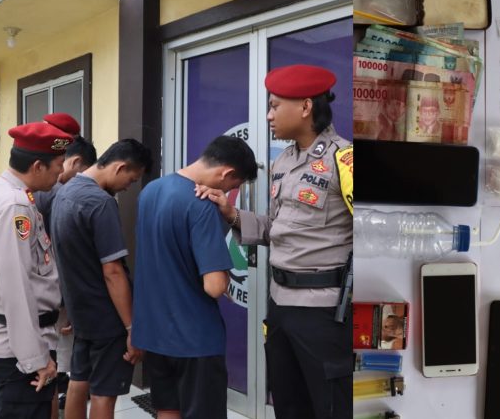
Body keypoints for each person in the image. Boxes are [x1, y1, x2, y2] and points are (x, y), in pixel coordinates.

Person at [197, 64, 353, 419]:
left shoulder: (344, 160)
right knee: (288, 404)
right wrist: (230, 214)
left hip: (323, 312)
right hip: (281, 306)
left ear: (305, 107)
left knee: (329, 407)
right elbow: (275, 228)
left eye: (274, 106)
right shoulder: (284, 162)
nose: (268, 116)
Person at [132, 136, 257, 419]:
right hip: (195, 339)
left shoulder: (150, 191)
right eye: (232, 186)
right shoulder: (201, 205)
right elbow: (215, 286)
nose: (228, 193)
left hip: (156, 334)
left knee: (167, 410)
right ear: (225, 173)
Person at [0, 121, 73, 418]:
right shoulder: (14, 207)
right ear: (38, 166)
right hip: (19, 352)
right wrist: (37, 360)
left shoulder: (6, 193)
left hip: (12, 342)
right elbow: (15, 287)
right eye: (58, 165)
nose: (61, 173)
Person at [50, 139, 152, 419]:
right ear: (120, 167)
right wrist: (132, 327)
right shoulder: (100, 202)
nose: (127, 187)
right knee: (103, 395)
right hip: (107, 319)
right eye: (131, 180)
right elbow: (113, 271)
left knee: (77, 383)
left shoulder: (64, 192)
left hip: (81, 314)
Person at [32, 113, 97, 416]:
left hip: (47, 293)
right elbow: (63, 253)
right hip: (55, 294)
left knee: (54, 365)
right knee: (56, 366)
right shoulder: (56, 191)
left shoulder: (39, 187)